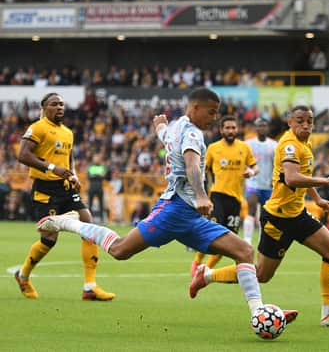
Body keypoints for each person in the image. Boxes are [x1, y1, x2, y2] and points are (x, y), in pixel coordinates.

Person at [37, 88, 295, 325]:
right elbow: (192, 165)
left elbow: (166, 138)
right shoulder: (193, 132)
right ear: (194, 108)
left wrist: (159, 127)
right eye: (211, 112)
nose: (214, 118)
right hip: (173, 211)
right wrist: (202, 195)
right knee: (119, 250)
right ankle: (66, 222)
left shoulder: (175, 127)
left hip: (190, 217)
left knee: (243, 251)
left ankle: (258, 312)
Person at [190, 105, 329, 327]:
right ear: (290, 122)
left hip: (297, 214)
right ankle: (207, 275)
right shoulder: (289, 145)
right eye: (300, 120)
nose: (306, 125)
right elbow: (291, 178)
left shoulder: (305, 143)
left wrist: (316, 198)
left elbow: (302, 175)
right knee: (261, 274)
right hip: (278, 219)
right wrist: (326, 181)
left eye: (309, 121)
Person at [14, 92, 115, 301]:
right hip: (45, 189)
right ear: (44, 108)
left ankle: (90, 287)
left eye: (61, 104)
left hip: (66, 187)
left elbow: (69, 160)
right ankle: (23, 275)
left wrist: (74, 175)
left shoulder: (68, 132)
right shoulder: (37, 127)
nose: (60, 107)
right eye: (54, 104)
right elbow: (23, 155)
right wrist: (52, 167)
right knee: (49, 239)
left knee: (88, 223)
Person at [190, 115, 258, 276]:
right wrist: (202, 194)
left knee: (228, 240)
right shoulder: (213, 148)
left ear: (237, 129)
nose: (230, 130)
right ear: (221, 130)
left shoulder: (245, 148)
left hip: (236, 200)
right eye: (227, 128)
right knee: (213, 234)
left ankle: (206, 269)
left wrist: (251, 171)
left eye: (233, 128)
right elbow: (202, 171)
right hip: (218, 196)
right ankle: (197, 262)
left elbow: (255, 167)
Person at [243, 118, 277, 244]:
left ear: (267, 128)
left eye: (264, 125)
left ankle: (263, 240)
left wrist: (274, 180)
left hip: (268, 185)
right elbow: (244, 162)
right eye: (259, 126)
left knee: (265, 214)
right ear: (255, 128)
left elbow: (276, 165)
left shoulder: (274, 145)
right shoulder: (248, 144)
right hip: (253, 183)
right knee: (251, 207)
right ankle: (247, 240)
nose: (261, 128)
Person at [87, 153, 110, 222]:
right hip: (92, 187)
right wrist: (99, 176)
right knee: (90, 204)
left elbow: (104, 176)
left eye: (97, 158)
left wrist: (95, 176)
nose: (96, 159)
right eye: (95, 158)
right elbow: (89, 177)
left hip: (99, 187)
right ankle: (89, 219)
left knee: (101, 204)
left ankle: (102, 219)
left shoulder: (102, 167)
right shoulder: (90, 167)